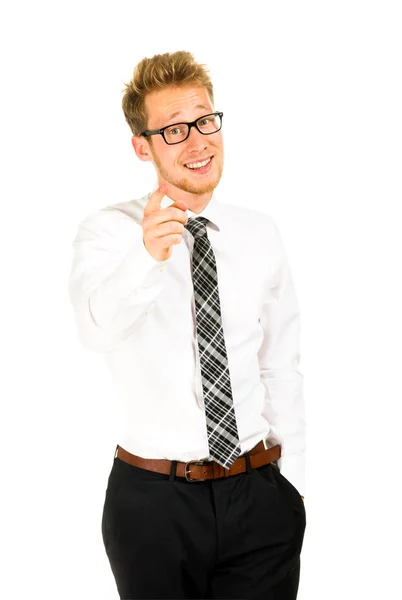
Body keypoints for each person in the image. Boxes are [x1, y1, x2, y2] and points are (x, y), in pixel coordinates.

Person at [68, 50, 306, 600]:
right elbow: (95, 331)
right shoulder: (108, 233)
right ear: (142, 146)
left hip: (259, 496)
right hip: (153, 503)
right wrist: (147, 257)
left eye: (204, 120)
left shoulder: (260, 232)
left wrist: (293, 488)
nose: (198, 141)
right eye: (173, 130)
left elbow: (280, 363)